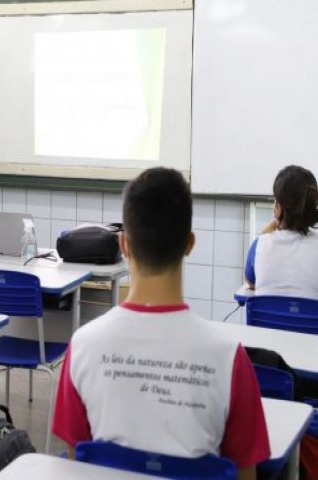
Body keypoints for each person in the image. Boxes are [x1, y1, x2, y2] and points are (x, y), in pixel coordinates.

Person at [53, 168, 270, 479]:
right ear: (189, 244)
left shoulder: (83, 346)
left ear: (124, 245)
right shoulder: (229, 358)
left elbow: (77, 464)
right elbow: (246, 474)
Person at [245, 165, 318, 298]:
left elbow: (251, 283)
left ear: (278, 207)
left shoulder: (260, 245)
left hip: (266, 320)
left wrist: (271, 227)